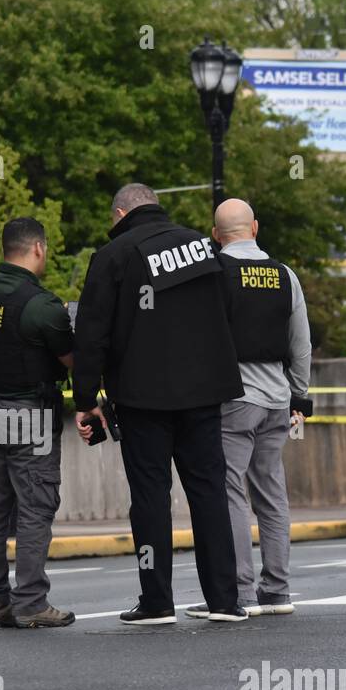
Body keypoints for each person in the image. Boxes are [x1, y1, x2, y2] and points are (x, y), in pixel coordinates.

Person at [73, 183, 246, 625]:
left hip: (142, 397)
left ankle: (157, 601)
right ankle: (225, 600)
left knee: (151, 496)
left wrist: (85, 398)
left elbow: (92, 333)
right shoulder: (203, 247)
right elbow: (227, 309)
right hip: (204, 394)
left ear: (120, 213)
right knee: (209, 492)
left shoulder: (114, 256)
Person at [186, 198, 311, 620]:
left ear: (216, 234)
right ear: (254, 228)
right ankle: (277, 590)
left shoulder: (213, 274)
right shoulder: (284, 274)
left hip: (233, 399)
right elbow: (301, 342)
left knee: (229, 491)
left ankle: (239, 592)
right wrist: (300, 397)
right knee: (272, 494)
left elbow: (201, 340)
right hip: (277, 398)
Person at [0, 217, 76, 629]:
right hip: (30, 414)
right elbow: (73, 361)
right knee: (35, 507)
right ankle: (31, 601)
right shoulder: (41, 304)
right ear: (38, 249)